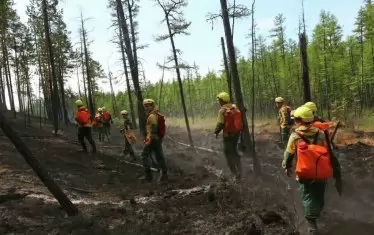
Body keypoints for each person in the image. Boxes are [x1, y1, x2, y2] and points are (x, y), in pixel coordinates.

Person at [282, 106, 342, 235]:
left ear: (299, 120)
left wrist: (286, 166)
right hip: (321, 172)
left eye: (296, 119)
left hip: (304, 173)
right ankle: (315, 214)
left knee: (307, 195)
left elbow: (288, 154)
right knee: (319, 195)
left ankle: (311, 224)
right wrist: (334, 168)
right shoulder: (321, 134)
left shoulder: (295, 136)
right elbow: (329, 152)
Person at [214, 92, 242, 181]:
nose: (218, 102)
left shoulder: (222, 110)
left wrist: (216, 132)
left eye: (219, 100)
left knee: (228, 153)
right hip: (237, 134)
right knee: (234, 150)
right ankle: (240, 171)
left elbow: (220, 123)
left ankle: (235, 173)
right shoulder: (234, 107)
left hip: (228, 135)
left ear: (222, 100)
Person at [141, 99, 168, 182]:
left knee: (144, 155)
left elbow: (154, 129)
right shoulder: (156, 114)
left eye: (148, 106)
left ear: (152, 106)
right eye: (145, 106)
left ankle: (148, 176)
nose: (146, 107)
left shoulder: (152, 116)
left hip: (153, 139)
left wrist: (149, 140)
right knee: (159, 156)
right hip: (157, 139)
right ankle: (164, 174)